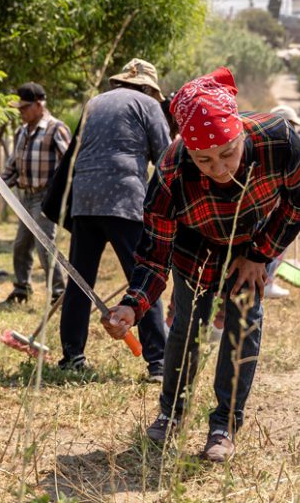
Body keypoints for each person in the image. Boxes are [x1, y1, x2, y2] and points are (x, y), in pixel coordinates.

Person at [104, 68, 300, 462]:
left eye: (227, 154)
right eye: (204, 160)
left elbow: (298, 202)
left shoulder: (279, 140)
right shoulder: (170, 172)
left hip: (250, 248)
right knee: (187, 328)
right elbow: (154, 251)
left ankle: (224, 426)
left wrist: (260, 254)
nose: (219, 168)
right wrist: (133, 305)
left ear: (240, 134)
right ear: (188, 150)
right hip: (194, 250)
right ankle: (171, 415)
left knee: (242, 328)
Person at [50, 59, 170, 376]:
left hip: (84, 201)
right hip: (125, 199)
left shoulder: (94, 102)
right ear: (147, 87)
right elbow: (166, 158)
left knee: (79, 282)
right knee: (143, 278)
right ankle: (159, 361)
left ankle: (72, 357)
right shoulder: (147, 104)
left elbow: (74, 155)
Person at [0, 82, 69, 304]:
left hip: (46, 197)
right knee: (21, 245)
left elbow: (70, 165)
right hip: (26, 197)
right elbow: (13, 166)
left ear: (39, 105)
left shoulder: (56, 129)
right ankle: (22, 289)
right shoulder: (21, 132)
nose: (20, 112)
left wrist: (61, 193)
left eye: (24, 107)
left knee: (44, 245)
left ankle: (59, 294)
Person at [263, 104, 300, 301]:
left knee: (278, 248)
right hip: (270, 210)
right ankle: (266, 283)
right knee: (271, 248)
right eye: (291, 125)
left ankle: (268, 281)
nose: (294, 130)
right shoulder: (275, 148)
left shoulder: (289, 147)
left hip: (280, 208)